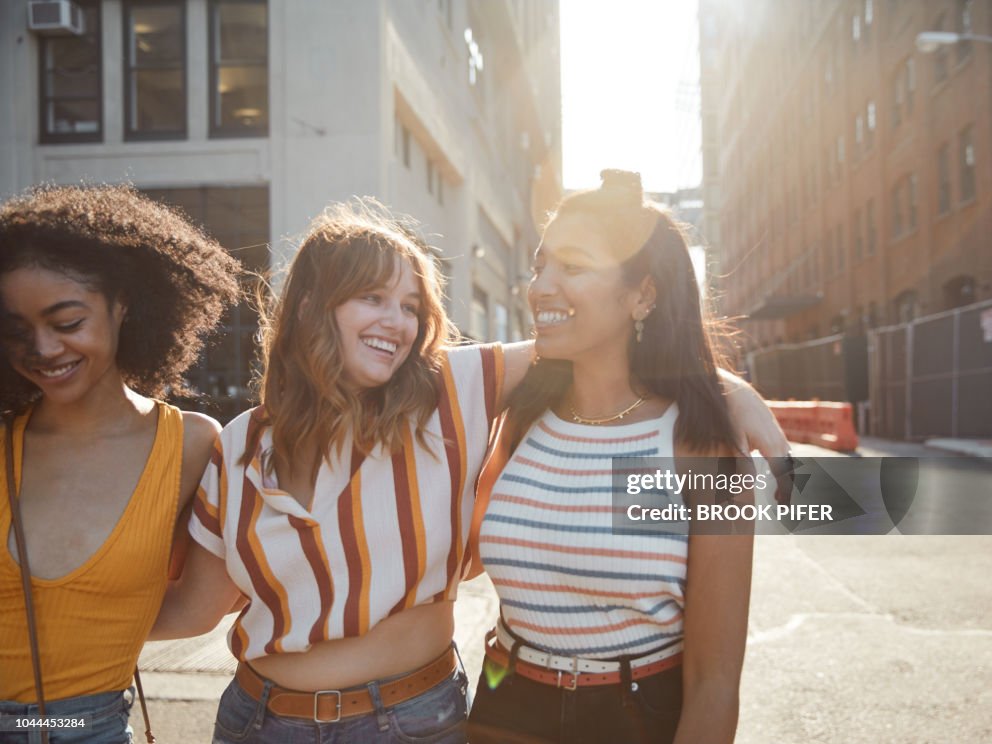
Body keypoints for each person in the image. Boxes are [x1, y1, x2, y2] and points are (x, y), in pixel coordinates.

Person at [151, 200, 785, 743]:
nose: (397, 323)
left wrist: (724, 391)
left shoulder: (451, 395)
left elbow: (722, 659)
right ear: (314, 306)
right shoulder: (242, 445)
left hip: (453, 716)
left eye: (409, 305)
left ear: (642, 292)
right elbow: (194, 608)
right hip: (346, 716)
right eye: (372, 298)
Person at [467, 170, 755, 743]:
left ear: (642, 295)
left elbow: (714, 682)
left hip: (635, 715)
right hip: (505, 697)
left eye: (571, 267)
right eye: (539, 266)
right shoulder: (522, 418)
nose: (540, 286)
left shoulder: (698, 446)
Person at [0, 184, 240, 743]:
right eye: (17, 332)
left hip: (88, 726)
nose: (43, 349)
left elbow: (199, 609)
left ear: (123, 305)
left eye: (66, 323)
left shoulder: (192, 445)